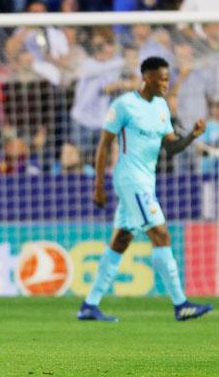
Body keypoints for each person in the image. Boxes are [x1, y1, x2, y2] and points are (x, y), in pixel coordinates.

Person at [78, 56, 213, 322]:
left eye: (167, 78)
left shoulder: (162, 107)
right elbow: (104, 144)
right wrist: (98, 185)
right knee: (161, 234)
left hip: (146, 180)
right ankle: (180, 303)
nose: (166, 83)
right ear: (146, 77)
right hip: (130, 180)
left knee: (121, 240)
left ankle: (89, 305)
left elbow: (171, 148)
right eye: (161, 78)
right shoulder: (125, 105)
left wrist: (192, 136)